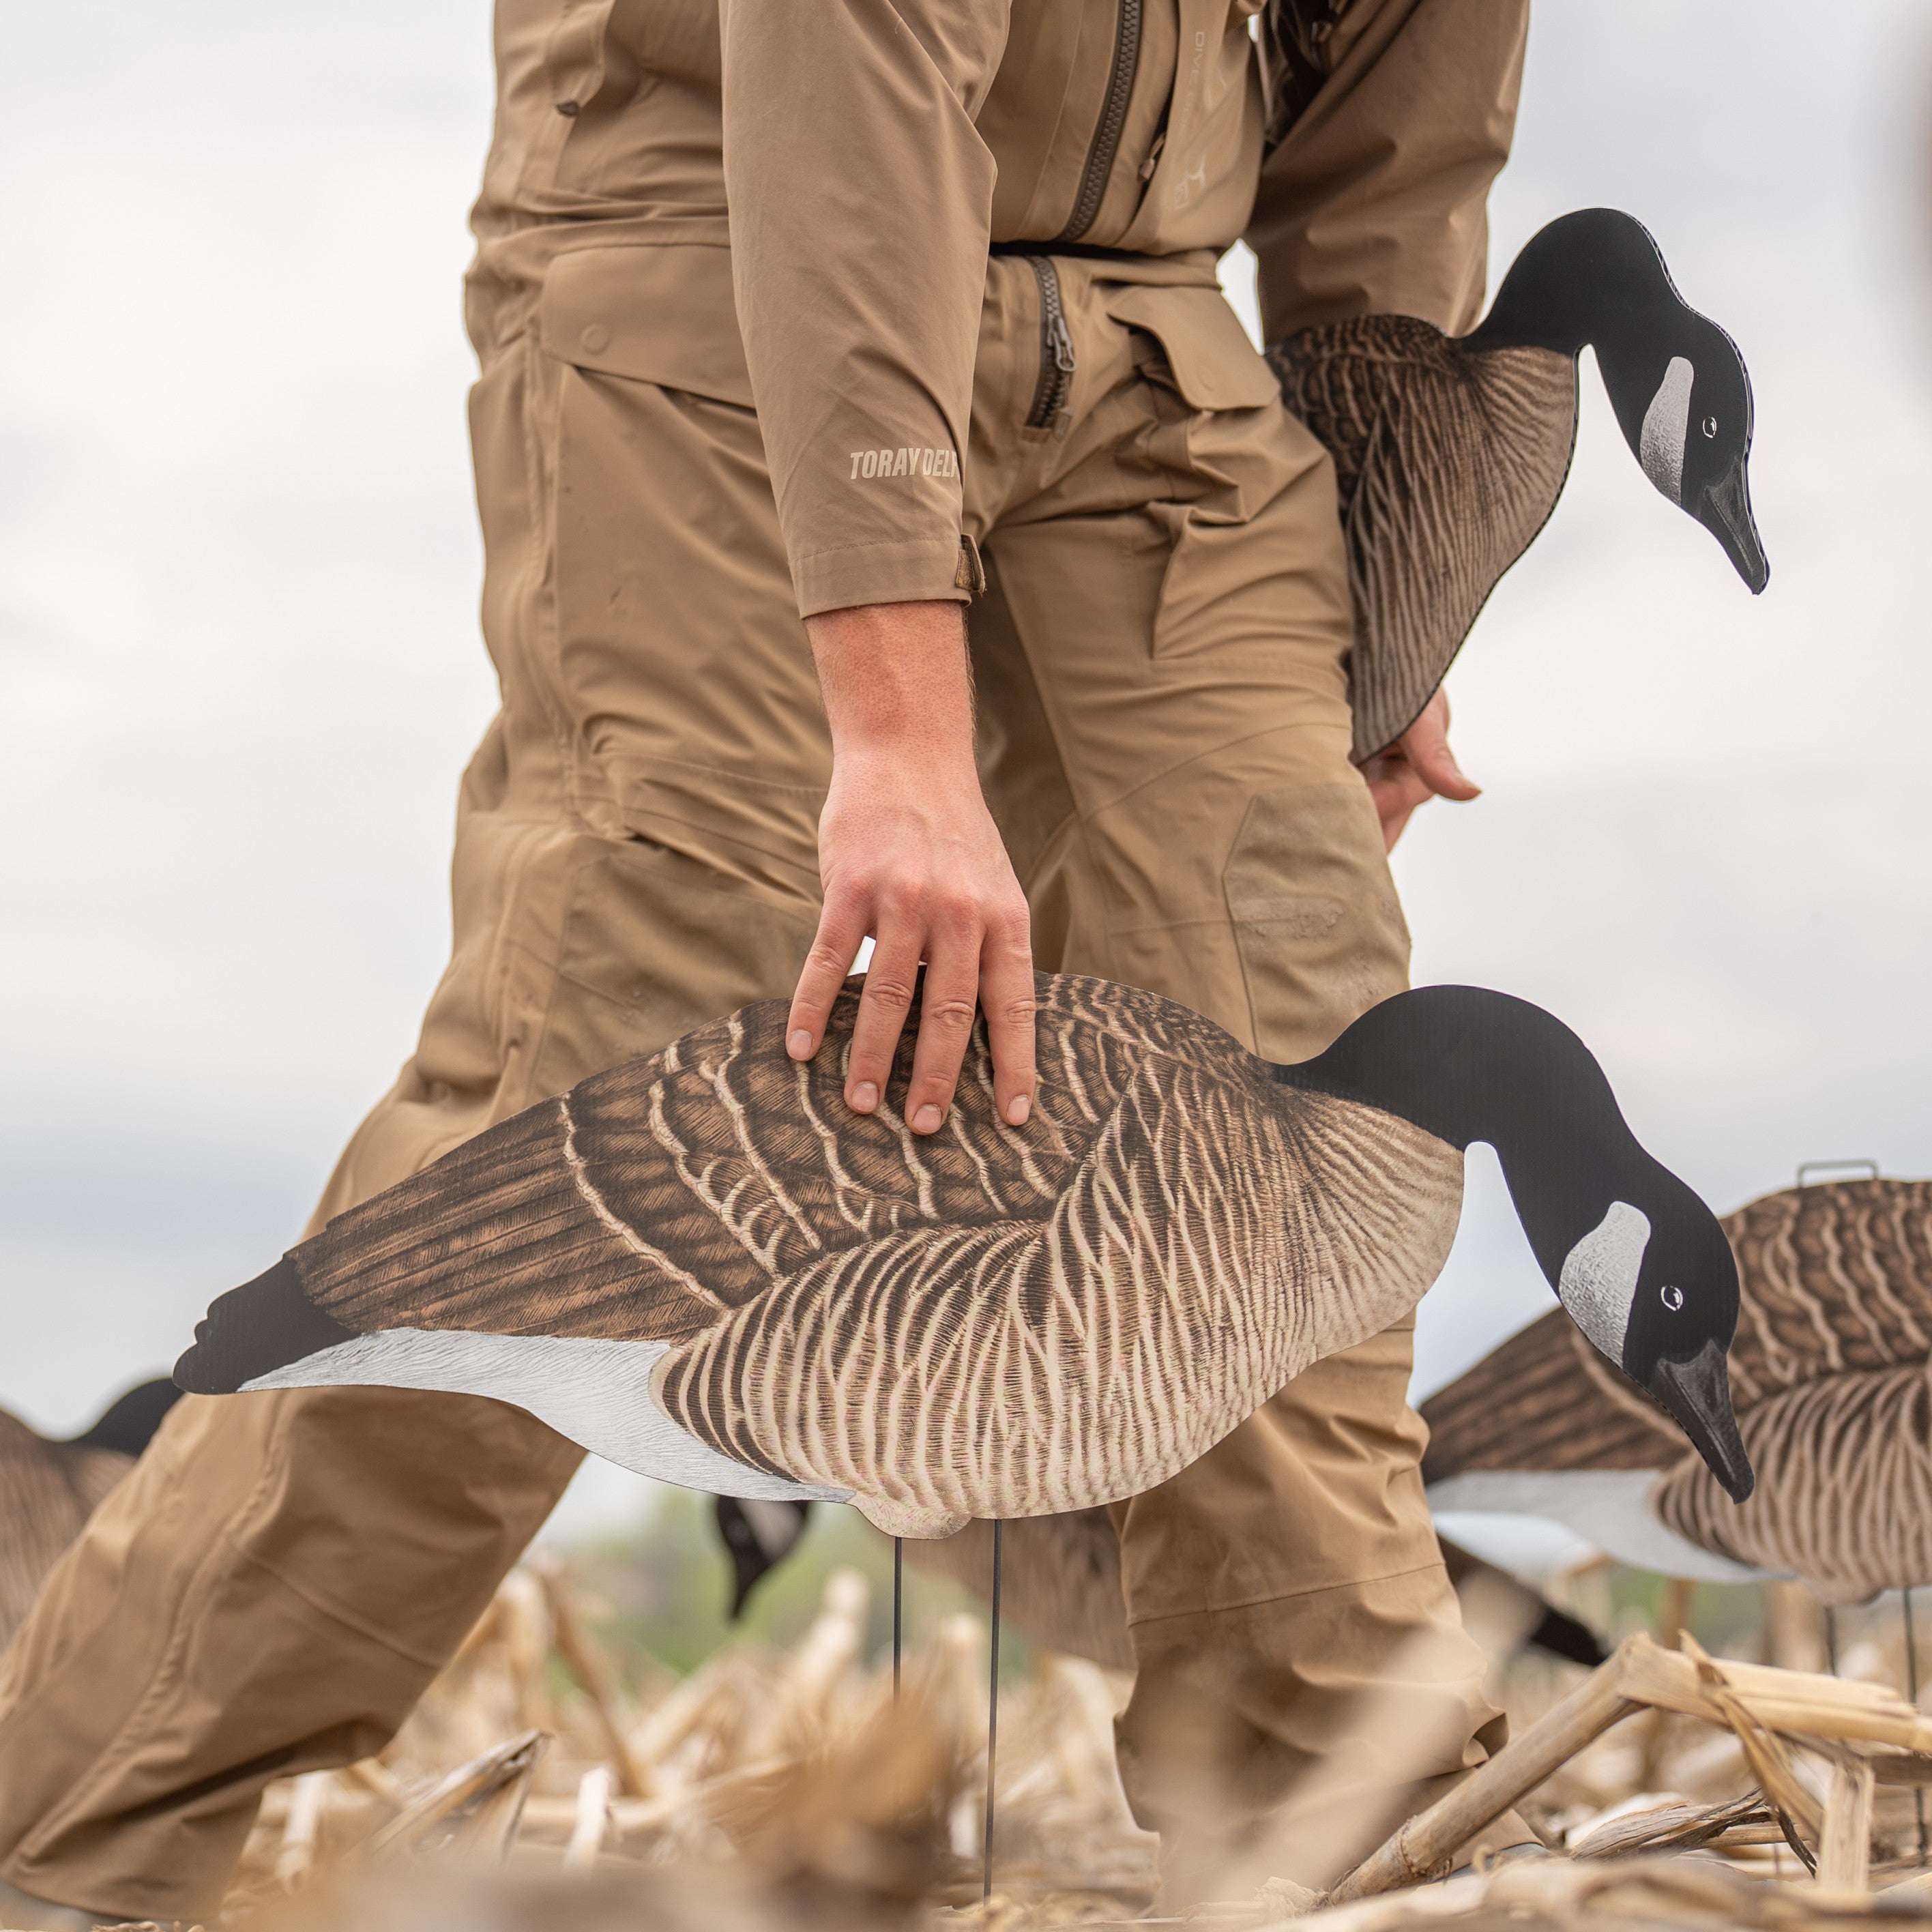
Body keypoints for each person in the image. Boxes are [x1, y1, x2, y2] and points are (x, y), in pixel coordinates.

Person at [0, 1, 1528, 1920]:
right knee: (612, 1074)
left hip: (1153, 328)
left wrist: (1390, 596)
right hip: (709, 237)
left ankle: (1344, 1852)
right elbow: (850, 59)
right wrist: (894, 734)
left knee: (1301, 1097)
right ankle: (64, 1851)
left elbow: (1401, 111)